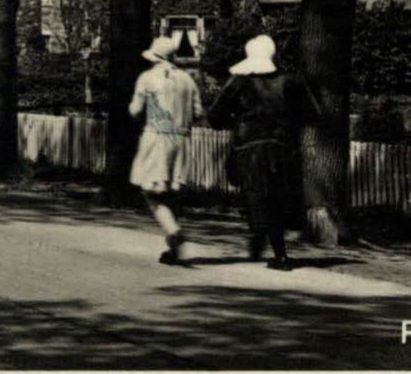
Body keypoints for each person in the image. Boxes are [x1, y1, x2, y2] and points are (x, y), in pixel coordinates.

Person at [206, 34, 321, 271]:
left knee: (257, 193)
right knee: (278, 194)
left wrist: (238, 121)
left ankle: (269, 245)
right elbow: (312, 114)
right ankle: (275, 247)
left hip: (249, 145)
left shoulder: (239, 82)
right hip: (283, 145)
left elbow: (215, 116)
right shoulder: (291, 81)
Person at [129, 35, 204, 266]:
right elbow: (198, 112)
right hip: (181, 139)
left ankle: (173, 231)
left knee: (151, 192)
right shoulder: (187, 79)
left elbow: (135, 109)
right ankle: (173, 248)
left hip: (156, 137)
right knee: (172, 191)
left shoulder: (147, 78)